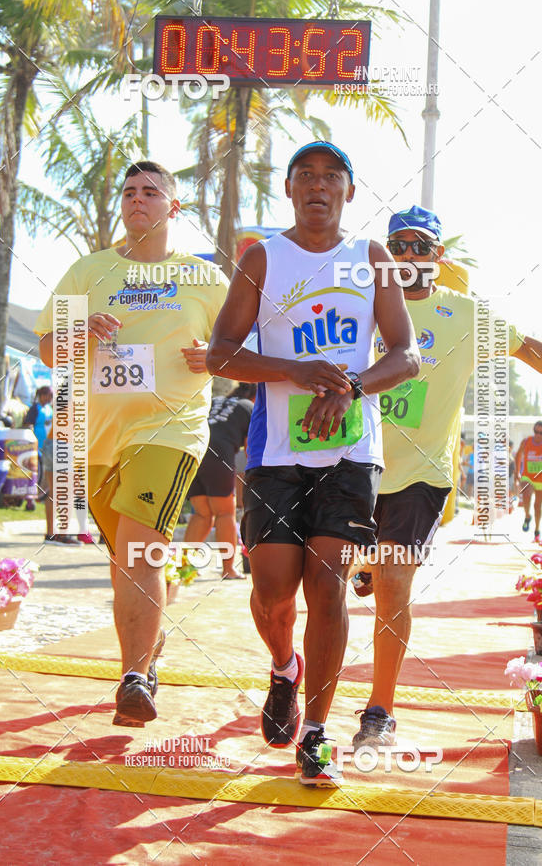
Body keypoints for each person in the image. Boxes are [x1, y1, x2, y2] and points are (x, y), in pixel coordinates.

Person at [207, 141, 420, 786]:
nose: (319, 186)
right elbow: (220, 354)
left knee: (326, 587)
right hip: (275, 453)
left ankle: (319, 733)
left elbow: (406, 356)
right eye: (307, 177)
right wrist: (293, 370)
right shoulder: (262, 259)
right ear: (290, 189)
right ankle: (283, 668)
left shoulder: (373, 260)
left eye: (333, 178)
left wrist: (350, 385)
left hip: (352, 452)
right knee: (273, 593)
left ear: (350, 192)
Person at [350, 204, 542, 751]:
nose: (408, 256)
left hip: (419, 476)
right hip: (353, 466)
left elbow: (529, 350)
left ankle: (379, 711)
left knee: (393, 585)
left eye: (420, 247)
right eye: (398, 246)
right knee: (325, 580)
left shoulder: (466, 315)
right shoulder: (360, 305)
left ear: (438, 256)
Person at [35, 161, 228, 727]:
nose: (137, 200)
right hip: (97, 443)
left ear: (174, 207)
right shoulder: (88, 271)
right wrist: (77, 329)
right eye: (128, 192)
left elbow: (242, 348)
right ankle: (150, 648)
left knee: (140, 549)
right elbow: (49, 350)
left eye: (150, 192)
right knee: (131, 559)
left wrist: (213, 356)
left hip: (171, 430)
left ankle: (133, 678)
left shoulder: (204, 279)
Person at [184, 382, 256, 579]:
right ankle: (228, 569)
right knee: (225, 513)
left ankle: (183, 565)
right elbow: (252, 449)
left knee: (202, 514)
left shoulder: (215, 401)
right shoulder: (249, 407)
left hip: (193, 450)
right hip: (218, 454)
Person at [515, 421, 542, 540]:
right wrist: (517, 472)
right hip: (527, 476)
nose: (538, 435)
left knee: (537, 506)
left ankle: (537, 529)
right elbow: (518, 456)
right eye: (536, 432)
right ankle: (527, 516)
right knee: (526, 494)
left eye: (541, 433)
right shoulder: (526, 442)